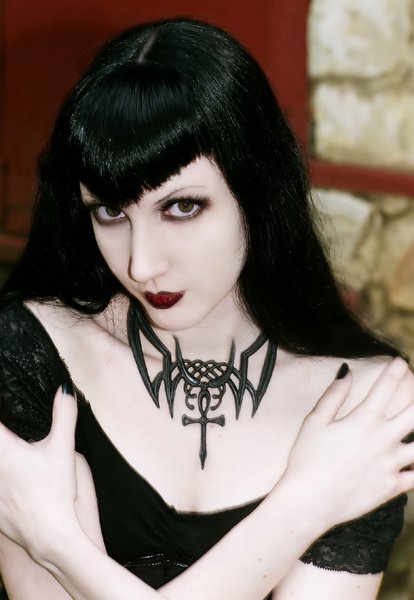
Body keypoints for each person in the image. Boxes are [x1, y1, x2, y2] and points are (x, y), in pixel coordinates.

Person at [0, 16, 414, 600]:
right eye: (111, 212)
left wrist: (57, 544)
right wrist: (307, 504)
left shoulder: (366, 406)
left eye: (182, 207)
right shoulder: (29, 353)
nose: (142, 264)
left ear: (257, 191)